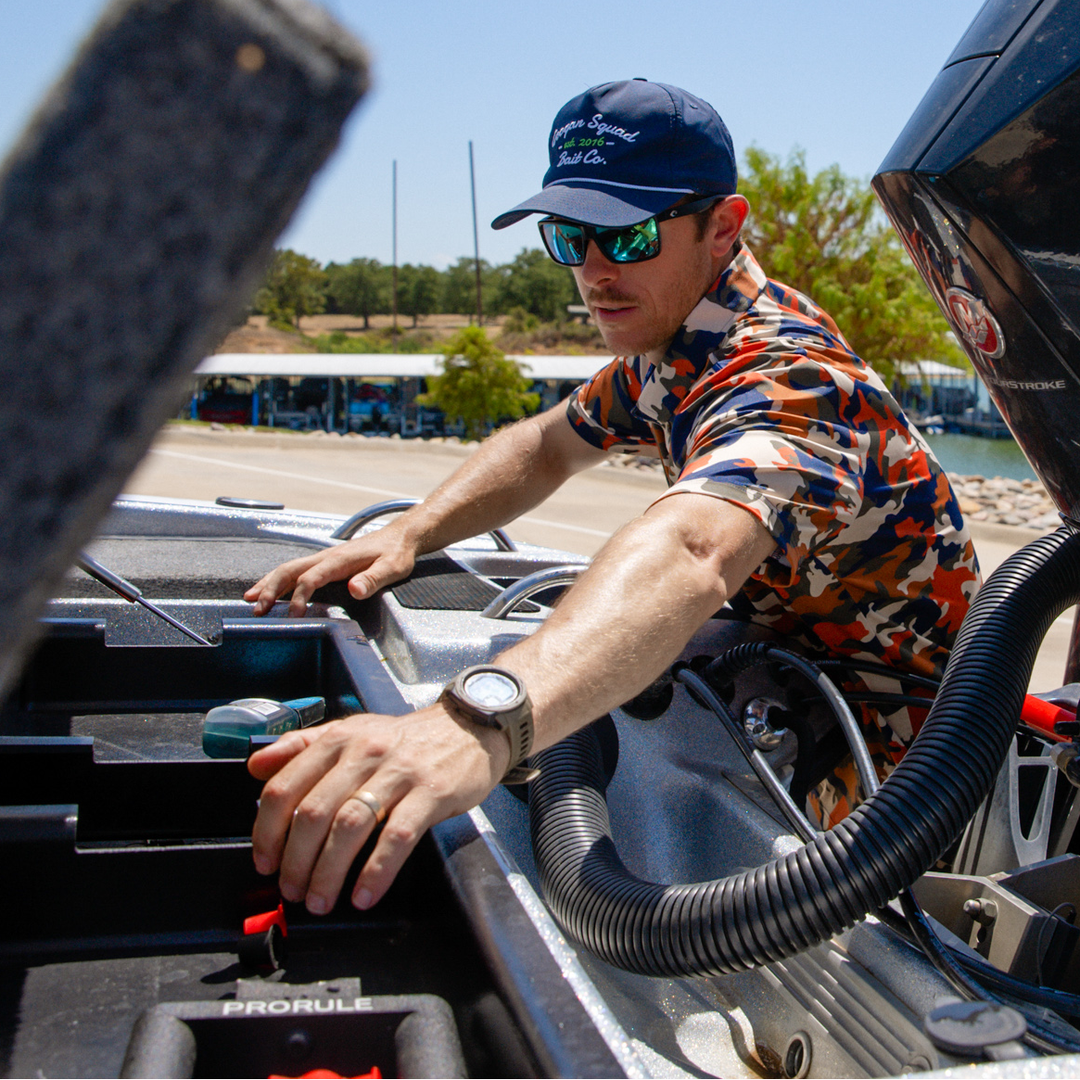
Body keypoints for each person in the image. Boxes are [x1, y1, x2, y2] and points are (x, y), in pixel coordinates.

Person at [243, 79, 979, 917]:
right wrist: (412, 531)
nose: (594, 272)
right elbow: (547, 443)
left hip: (897, 758)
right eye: (572, 236)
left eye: (627, 236)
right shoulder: (673, 348)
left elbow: (695, 549)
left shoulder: (788, 379)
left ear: (723, 228)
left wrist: (477, 723)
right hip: (777, 668)